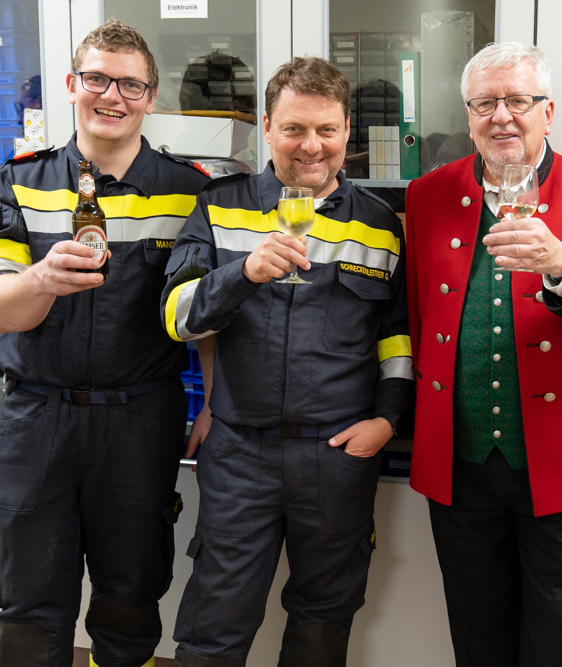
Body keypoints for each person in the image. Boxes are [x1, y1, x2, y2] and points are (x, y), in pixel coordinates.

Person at [404, 42, 562, 667]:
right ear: (468, 115)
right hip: (460, 462)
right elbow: (415, 316)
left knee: (558, 638)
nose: (501, 117)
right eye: (484, 103)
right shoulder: (428, 194)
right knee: (476, 633)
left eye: (518, 100)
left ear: (549, 111)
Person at [161, 56, 413, 667]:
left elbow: (396, 339)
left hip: (336, 457)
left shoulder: (380, 224)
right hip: (239, 453)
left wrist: (387, 420)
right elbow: (176, 317)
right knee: (213, 624)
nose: (312, 146)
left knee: (323, 621)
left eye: (327, 130)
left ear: (347, 131)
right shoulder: (219, 206)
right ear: (268, 127)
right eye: (295, 128)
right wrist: (242, 273)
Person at [0, 20, 209, 667]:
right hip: (35, 418)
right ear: (72, 85)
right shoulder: (19, 181)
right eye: (98, 79)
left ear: (150, 97)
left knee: (130, 600)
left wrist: (214, 403)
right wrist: (41, 279)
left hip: (140, 421)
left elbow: (209, 317)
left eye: (130, 84)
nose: (112, 95)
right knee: (26, 604)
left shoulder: (189, 190)